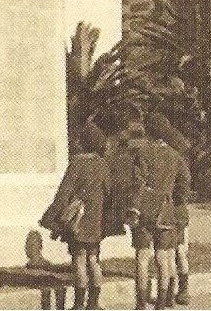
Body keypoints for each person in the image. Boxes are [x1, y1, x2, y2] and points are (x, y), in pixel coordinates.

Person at [40, 122, 111, 310]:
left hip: (78, 218)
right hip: (96, 217)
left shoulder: (77, 163)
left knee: (79, 259)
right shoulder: (103, 164)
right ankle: (94, 304)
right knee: (94, 259)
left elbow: (64, 193)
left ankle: (79, 304)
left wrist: (50, 216)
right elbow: (109, 191)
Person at [125, 120, 191, 310]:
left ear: (149, 133)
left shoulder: (142, 153)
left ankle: (141, 303)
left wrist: (133, 208)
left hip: (144, 210)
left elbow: (137, 184)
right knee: (164, 259)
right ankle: (161, 304)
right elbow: (184, 183)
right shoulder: (175, 155)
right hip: (166, 212)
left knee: (142, 257)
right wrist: (174, 199)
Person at [145, 112, 192, 307]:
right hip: (176, 208)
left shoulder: (169, 153)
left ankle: (178, 291)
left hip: (173, 208)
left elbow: (182, 185)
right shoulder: (176, 151)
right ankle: (178, 291)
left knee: (175, 252)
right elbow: (185, 183)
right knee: (177, 252)